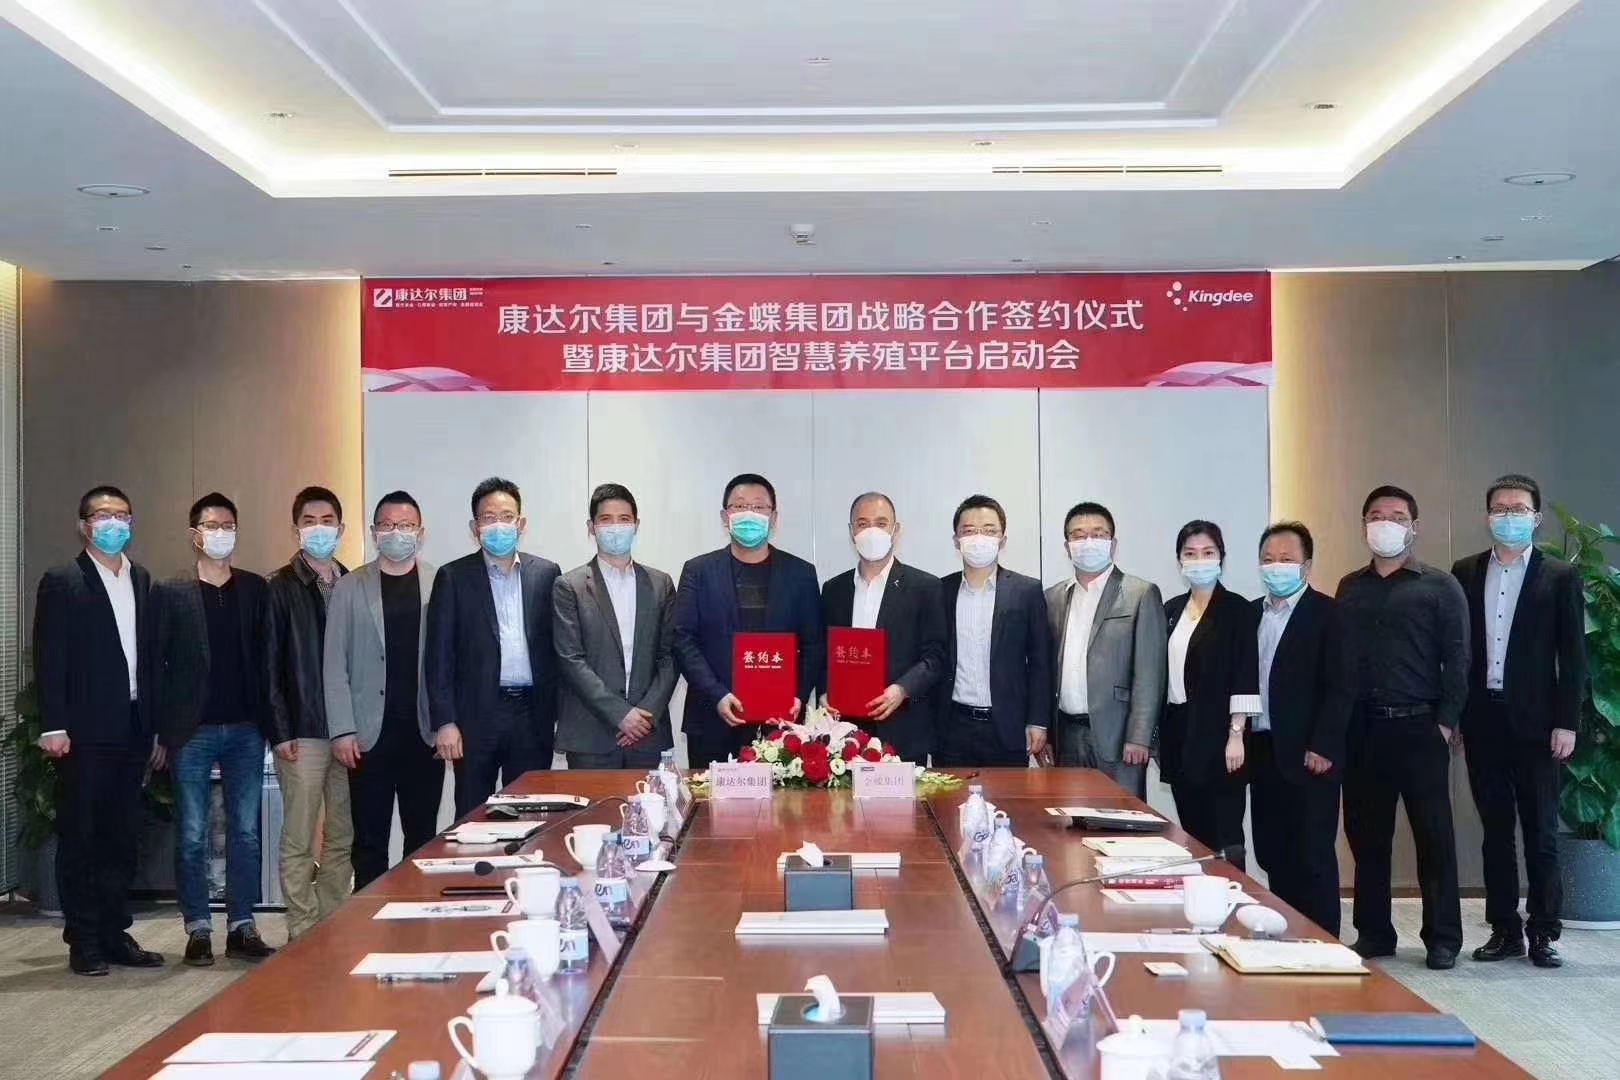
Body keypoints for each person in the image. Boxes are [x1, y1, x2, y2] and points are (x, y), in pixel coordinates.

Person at [1452, 475, 1585, 968]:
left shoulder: (1559, 576)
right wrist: (1455, 713)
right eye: (1501, 508)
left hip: (1538, 724)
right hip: (1481, 716)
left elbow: (1574, 656)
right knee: (1494, 831)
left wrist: (1567, 722)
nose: (1509, 516)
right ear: (1488, 516)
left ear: (1536, 517)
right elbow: (1458, 649)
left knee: (1541, 833)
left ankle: (1544, 931)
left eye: (1519, 508)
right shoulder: (1465, 572)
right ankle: (1504, 929)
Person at [33, 486, 165, 976]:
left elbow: (148, 658)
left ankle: (114, 932)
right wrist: (53, 725)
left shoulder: (140, 578)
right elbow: (50, 658)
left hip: (132, 727)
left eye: (122, 515)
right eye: (103, 515)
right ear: (84, 525)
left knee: (122, 838)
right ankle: (83, 939)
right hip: (83, 732)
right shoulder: (62, 581)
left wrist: (154, 728)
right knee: (82, 837)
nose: (114, 523)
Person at [1336, 484, 1469, 970]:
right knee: (1366, 838)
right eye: (1376, 515)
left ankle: (1443, 938)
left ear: (1414, 526)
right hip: (1363, 731)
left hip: (1420, 728)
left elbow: (1459, 659)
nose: (1385, 524)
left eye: (1396, 516)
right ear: (1364, 526)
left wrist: (1446, 722)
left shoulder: (1439, 586)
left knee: (1433, 836)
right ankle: (1374, 933)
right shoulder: (1350, 587)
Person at [155, 493, 275, 965]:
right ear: (195, 535)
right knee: (192, 834)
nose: (220, 533)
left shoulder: (255, 589)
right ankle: (198, 928)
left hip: (246, 728)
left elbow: (267, 658)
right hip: (192, 730)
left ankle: (242, 924)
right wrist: (160, 732)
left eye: (228, 525)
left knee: (246, 832)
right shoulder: (171, 592)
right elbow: (157, 665)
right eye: (211, 525)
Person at [325, 491, 442, 890]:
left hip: (423, 735)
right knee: (369, 844)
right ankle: (368, 920)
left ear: (420, 532)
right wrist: (342, 729)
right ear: (375, 532)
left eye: (406, 525)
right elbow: (334, 663)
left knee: (422, 839)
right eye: (388, 525)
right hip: (366, 738)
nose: (397, 533)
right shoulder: (349, 586)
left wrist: (447, 722)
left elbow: (449, 661)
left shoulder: (439, 582)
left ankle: (416, 915)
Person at [425, 477, 560, 816]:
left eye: (507, 516)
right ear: (475, 527)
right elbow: (439, 656)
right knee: (472, 816)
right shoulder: (453, 577)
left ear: (521, 524)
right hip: (475, 718)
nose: (499, 525)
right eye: (489, 517)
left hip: (532, 715)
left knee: (531, 813)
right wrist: (445, 722)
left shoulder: (547, 574)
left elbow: (558, 651)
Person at [672, 473, 824, 768]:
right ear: (724, 516)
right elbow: (683, 639)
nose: (749, 514)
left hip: (781, 724)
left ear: (773, 517)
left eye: (758, 507)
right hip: (712, 718)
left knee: (781, 799)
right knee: (710, 798)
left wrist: (799, 696)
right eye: (739, 506)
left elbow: (814, 643)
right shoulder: (698, 571)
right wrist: (717, 695)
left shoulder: (801, 573)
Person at [1249, 522, 1350, 936]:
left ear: (1306, 565)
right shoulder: (1252, 614)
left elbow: (1342, 686)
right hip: (1262, 749)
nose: (1277, 567)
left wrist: (1324, 745)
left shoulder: (1329, 613)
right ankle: (1285, 933)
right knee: (1273, 852)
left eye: (1287, 559)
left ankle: (1324, 942)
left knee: (1313, 853)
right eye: (1268, 559)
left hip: (1310, 754)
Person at [263, 485, 352, 940]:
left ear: (341, 527)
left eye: (327, 521)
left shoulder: (352, 581)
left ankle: (331, 924)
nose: (319, 529)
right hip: (302, 730)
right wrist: (280, 730)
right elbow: (269, 666)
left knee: (342, 835)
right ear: (296, 528)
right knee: (300, 836)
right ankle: (301, 928)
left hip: (348, 732)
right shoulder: (279, 587)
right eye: (310, 521)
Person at [552, 483, 678, 769]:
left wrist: (645, 715)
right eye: (606, 520)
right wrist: (620, 714)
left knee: (649, 801)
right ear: (591, 527)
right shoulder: (569, 586)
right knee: (592, 802)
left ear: (636, 525)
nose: (616, 527)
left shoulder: (661, 584)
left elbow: (670, 656)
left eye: (624, 519)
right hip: (590, 735)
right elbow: (570, 659)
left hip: (647, 733)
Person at [1045, 502, 1166, 798]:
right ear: (1067, 547)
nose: (1088, 542)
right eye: (1078, 535)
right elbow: (1045, 671)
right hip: (1066, 734)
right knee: (1070, 818)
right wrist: (1047, 732)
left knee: (1120, 818)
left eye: (1098, 534)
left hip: (1119, 736)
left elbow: (1150, 673)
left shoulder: (1140, 593)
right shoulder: (1053, 597)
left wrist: (1140, 735)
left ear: (1113, 543)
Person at [1160, 521, 1261, 870]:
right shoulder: (1171, 609)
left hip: (1222, 737)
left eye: (1208, 552)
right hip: (1179, 733)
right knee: (1193, 833)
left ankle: (1233, 896)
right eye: (1190, 553)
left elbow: (1246, 673)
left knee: (1225, 836)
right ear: (1179, 560)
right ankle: (1200, 898)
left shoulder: (1237, 609)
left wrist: (1237, 733)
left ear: (1221, 558)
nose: (1198, 560)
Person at [820, 492, 948, 763]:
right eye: (862, 524)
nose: (871, 531)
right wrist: (823, 693)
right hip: (845, 731)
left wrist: (901, 690)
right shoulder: (834, 589)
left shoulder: (925, 587)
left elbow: (936, 656)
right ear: (851, 531)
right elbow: (823, 651)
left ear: (895, 530)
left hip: (903, 728)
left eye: (881, 523)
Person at [937, 494, 1050, 767]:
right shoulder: (940, 590)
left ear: (1003, 539)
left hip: (1007, 727)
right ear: (956, 540)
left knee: (1008, 796)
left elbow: (1041, 662)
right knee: (950, 795)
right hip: (952, 727)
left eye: (989, 531)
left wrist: (1038, 721)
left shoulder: (1026, 591)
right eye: (969, 531)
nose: (979, 538)